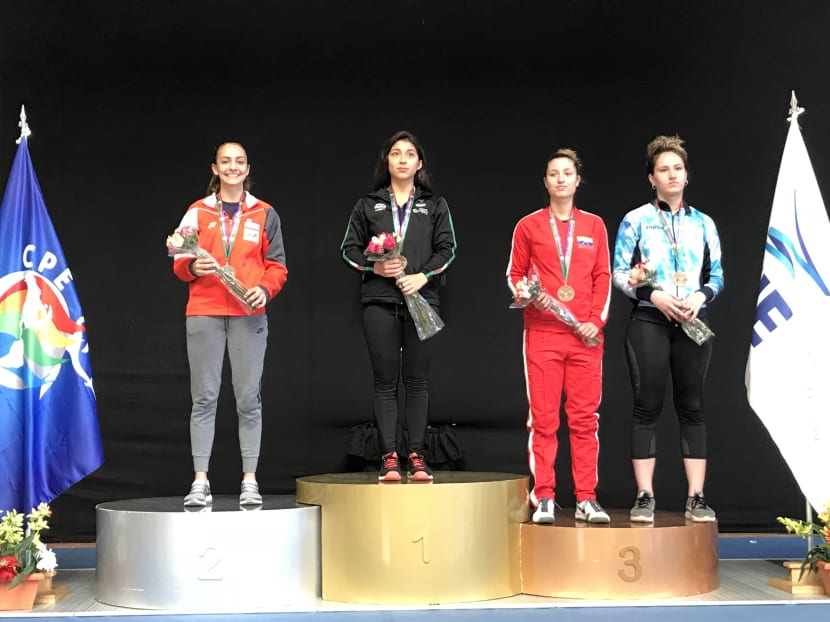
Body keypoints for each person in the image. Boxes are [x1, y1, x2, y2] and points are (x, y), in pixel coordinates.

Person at [612, 134, 723, 523]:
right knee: (646, 407)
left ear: (687, 175)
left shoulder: (704, 223)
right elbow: (620, 273)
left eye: (678, 168)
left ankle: (697, 497)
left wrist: (700, 296)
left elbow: (718, 275)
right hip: (649, 320)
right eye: (663, 169)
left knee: (692, 407)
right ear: (652, 178)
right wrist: (654, 294)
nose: (671, 174)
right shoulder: (636, 219)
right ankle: (645, 495)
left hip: (692, 322)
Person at [173, 141, 287, 507]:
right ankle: (200, 481)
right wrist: (192, 266)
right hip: (204, 311)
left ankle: (249, 479)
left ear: (248, 168)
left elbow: (278, 266)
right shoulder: (197, 211)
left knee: (247, 400)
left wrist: (264, 290)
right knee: (203, 398)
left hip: (248, 314)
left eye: (239, 161)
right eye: (226, 162)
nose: (233, 167)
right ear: (215, 168)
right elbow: (178, 260)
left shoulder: (264, 213)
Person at [340, 130, 457, 482]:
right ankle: (389, 456)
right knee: (385, 382)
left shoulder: (435, 205)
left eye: (409, 154)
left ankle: (418, 455)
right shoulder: (368, 204)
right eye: (396, 153)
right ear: (387, 161)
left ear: (419, 163)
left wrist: (423, 276)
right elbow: (348, 249)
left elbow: (448, 249)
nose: (403, 159)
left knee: (418, 381)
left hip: (423, 299)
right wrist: (373, 266)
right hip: (379, 301)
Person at [506, 148, 611, 524]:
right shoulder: (528, 226)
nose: (562, 179)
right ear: (546, 182)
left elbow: (604, 278)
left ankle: (587, 497)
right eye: (554, 174)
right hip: (543, 334)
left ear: (578, 180)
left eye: (568, 173)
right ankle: (545, 496)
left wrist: (594, 323)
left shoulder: (595, 226)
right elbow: (514, 276)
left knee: (584, 419)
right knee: (545, 419)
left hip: (586, 337)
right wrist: (527, 293)